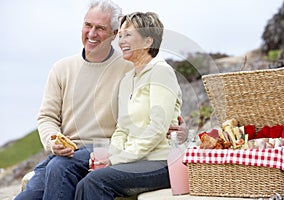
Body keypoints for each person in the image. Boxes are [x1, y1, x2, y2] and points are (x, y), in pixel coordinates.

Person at [15, 1, 187, 200]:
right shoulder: (65, 69)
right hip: (72, 152)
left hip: (107, 148)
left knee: (68, 170)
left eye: (100, 28)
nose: (91, 33)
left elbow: (162, 117)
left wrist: (181, 129)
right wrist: (54, 141)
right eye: (88, 25)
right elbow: (47, 117)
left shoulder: (134, 67)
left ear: (112, 34)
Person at [74, 11, 182, 200]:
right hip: (134, 161)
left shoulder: (161, 72)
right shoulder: (126, 80)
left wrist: (116, 160)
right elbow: (122, 129)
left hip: (160, 162)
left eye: (128, 35)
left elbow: (157, 129)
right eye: (121, 36)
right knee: (86, 178)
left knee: (95, 182)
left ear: (148, 42)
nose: (121, 41)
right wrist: (111, 156)